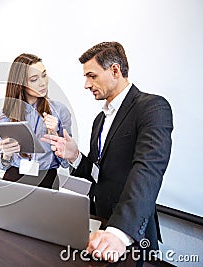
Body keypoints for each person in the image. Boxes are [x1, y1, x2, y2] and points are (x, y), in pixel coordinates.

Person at [41, 42, 173, 262]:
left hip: (129, 231)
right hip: (100, 222)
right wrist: (75, 156)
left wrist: (119, 233)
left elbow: (148, 169)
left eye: (92, 76)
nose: (86, 84)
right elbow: (97, 174)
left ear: (114, 70)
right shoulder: (100, 120)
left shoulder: (152, 107)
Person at [0, 53, 72, 189]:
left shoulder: (60, 111)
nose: (42, 83)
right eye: (34, 79)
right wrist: (6, 154)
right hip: (14, 177)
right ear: (20, 83)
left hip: (47, 179)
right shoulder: (7, 114)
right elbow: (2, 165)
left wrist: (55, 136)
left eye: (44, 75)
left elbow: (66, 163)